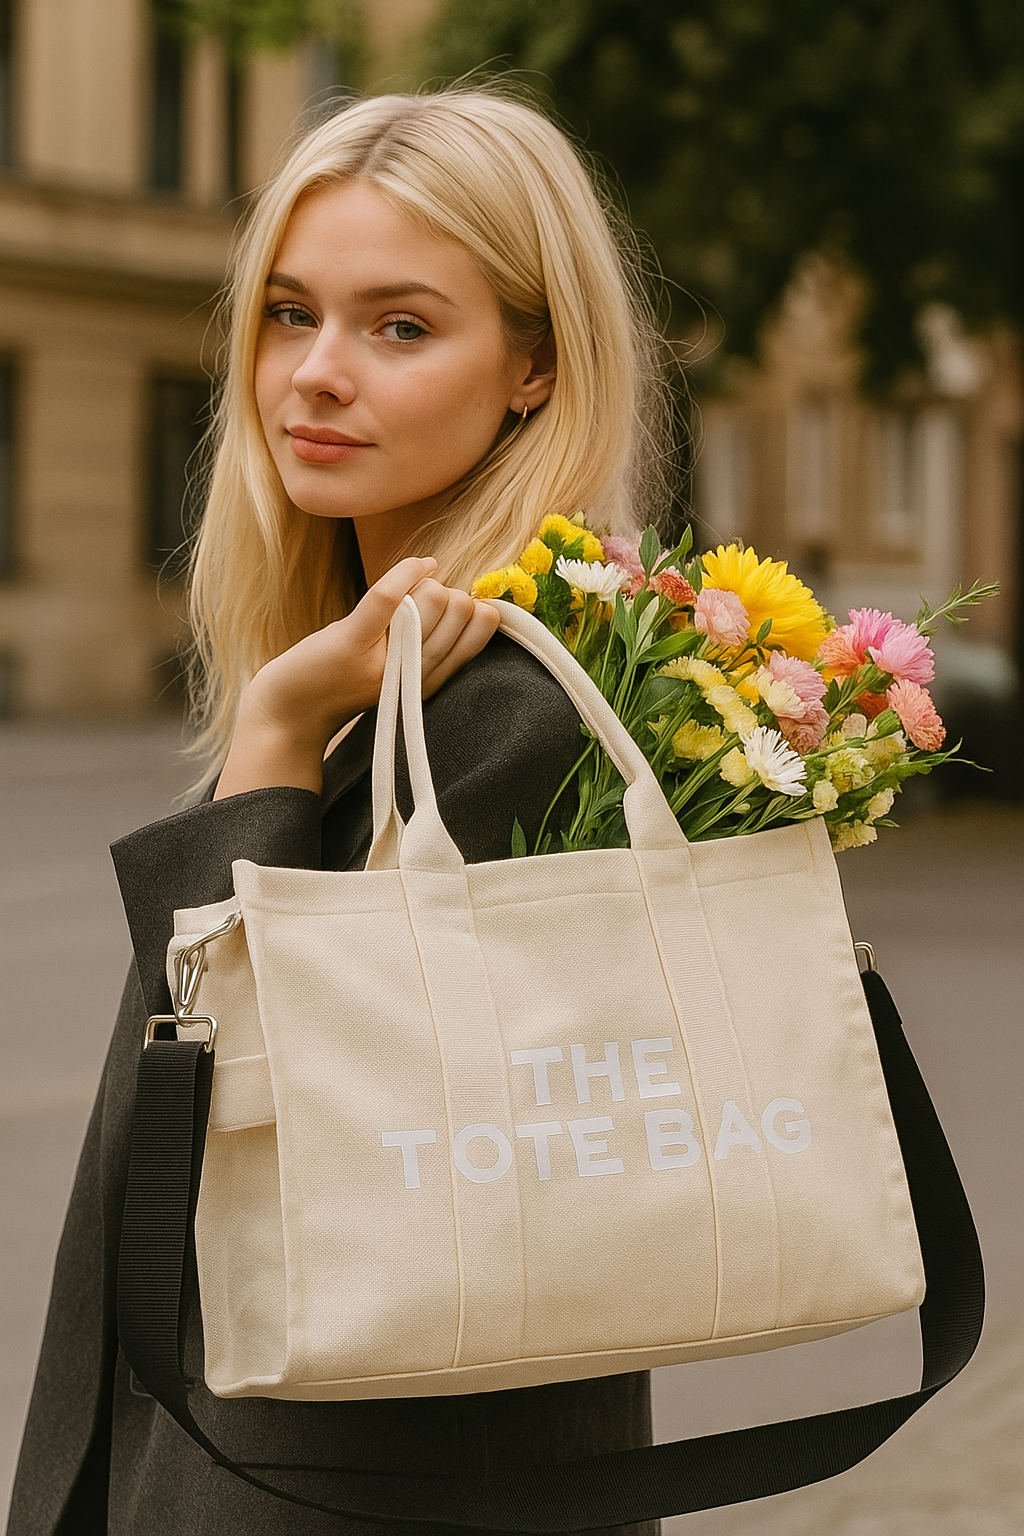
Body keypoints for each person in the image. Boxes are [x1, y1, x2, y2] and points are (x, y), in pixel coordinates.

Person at [7, 88, 676, 1536]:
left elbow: (265, 1120)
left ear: (535, 370)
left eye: (399, 327)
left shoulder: (516, 713)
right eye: (289, 313)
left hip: (350, 1481)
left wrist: (273, 730)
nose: (313, 375)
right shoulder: (395, 682)